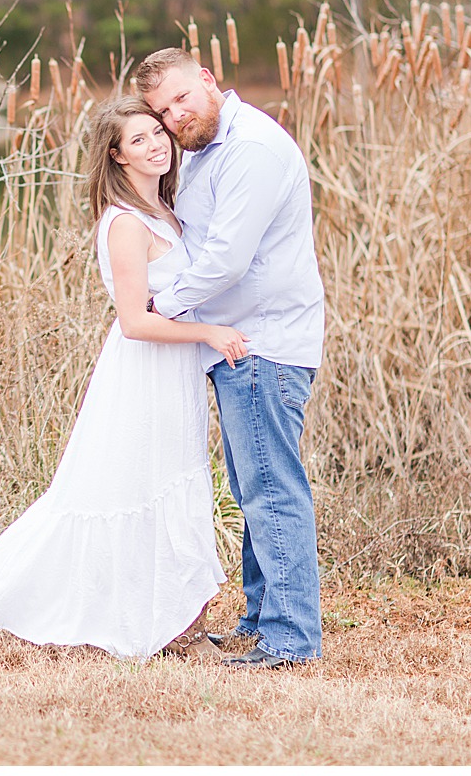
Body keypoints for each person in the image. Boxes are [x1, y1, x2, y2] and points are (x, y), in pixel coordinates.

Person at [0, 97, 248, 661]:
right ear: (116, 155)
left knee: (174, 484)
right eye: (139, 140)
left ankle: (175, 622)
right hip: (143, 371)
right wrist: (210, 334)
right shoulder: (125, 225)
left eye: (158, 133)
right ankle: (54, 602)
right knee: (131, 488)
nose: (157, 144)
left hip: (171, 374)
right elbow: (135, 323)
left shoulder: (164, 211)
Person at [136, 47, 326, 670]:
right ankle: (260, 621)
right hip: (237, 341)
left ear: (209, 80)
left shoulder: (251, 150)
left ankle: (292, 639)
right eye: (163, 111)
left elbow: (225, 260)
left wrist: (158, 305)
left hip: (264, 344)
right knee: (254, 488)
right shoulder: (208, 152)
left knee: (272, 490)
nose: (175, 116)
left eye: (183, 98)